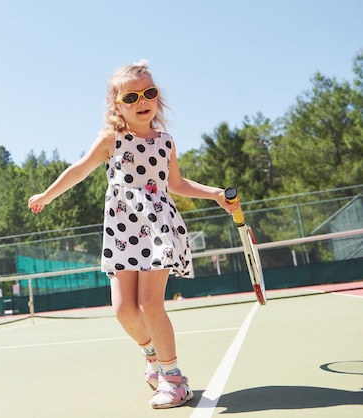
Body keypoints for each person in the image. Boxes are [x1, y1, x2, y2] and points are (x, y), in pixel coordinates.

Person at [27, 59, 238, 409]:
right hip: (122, 229)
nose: (143, 101)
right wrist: (48, 195)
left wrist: (215, 193)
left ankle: (174, 380)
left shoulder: (165, 142)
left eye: (150, 93)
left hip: (158, 226)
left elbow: (177, 184)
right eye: (132, 97)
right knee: (124, 309)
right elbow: (79, 169)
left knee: (149, 304)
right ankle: (151, 354)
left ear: (157, 98)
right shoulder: (111, 139)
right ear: (116, 106)